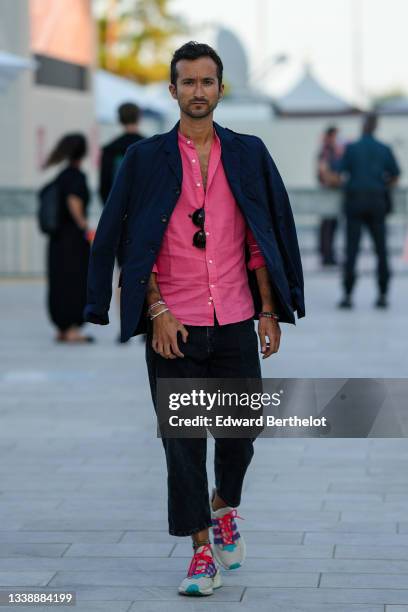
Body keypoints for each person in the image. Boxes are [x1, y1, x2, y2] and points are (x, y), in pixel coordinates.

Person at [84, 41, 305, 596]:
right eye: (188, 82)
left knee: (242, 433)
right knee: (182, 443)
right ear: (173, 90)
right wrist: (153, 309)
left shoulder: (249, 153)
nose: (198, 91)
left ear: (220, 89)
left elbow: (263, 235)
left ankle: (225, 505)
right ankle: (201, 552)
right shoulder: (145, 158)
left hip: (234, 317)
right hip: (172, 324)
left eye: (208, 82)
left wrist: (270, 311)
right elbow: (134, 239)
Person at [338, 113, 401, 309]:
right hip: (377, 201)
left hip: (355, 201)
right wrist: (382, 185)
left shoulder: (352, 148)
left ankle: (348, 296)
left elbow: (339, 172)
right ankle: (382, 294)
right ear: (376, 127)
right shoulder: (384, 149)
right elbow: (396, 174)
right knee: (381, 250)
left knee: (352, 250)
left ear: (362, 126)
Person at [99, 102, 145, 342]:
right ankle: (149, 321)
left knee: (124, 274)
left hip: (120, 220)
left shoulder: (109, 150)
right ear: (139, 116)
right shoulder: (150, 146)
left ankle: (125, 326)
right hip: (148, 218)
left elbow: (104, 189)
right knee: (151, 269)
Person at [44, 133, 94, 343]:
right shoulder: (76, 176)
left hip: (57, 240)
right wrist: (85, 227)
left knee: (59, 282)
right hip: (72, 240)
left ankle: (62, 328)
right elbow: (74, 202)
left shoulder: (62, 175)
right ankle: (72, 328)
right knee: (75, 282)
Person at [317, 126, 343, 265]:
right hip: (328, 193)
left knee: (331, 225)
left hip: (331, 193)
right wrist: (337, 180)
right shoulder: (326, 152)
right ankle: (327, 256)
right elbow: (323, 173)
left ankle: (328, 254)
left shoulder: (332, 151)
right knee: (327, 225)